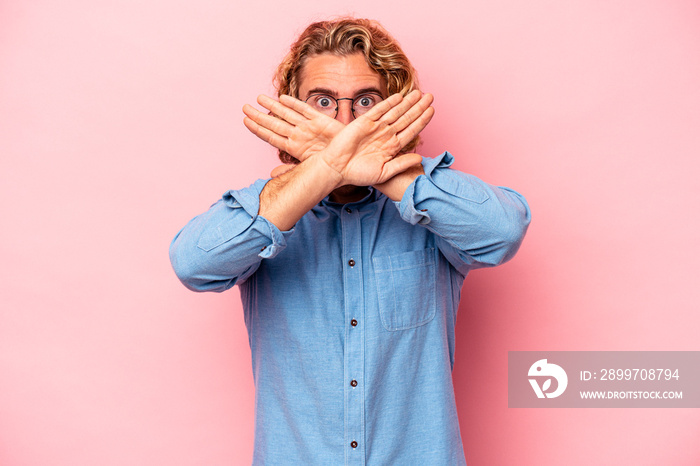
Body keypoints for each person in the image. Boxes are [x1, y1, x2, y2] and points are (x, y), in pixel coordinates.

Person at [170, 17, 531, 465]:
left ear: (393, 110)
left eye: (365, 101)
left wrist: (382, 171)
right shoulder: (267, 211)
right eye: (323, 101)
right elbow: (192, 263)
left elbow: (503, 231)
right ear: (290, 111)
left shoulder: (431, 214)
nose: (344, 121)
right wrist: (328, 168)